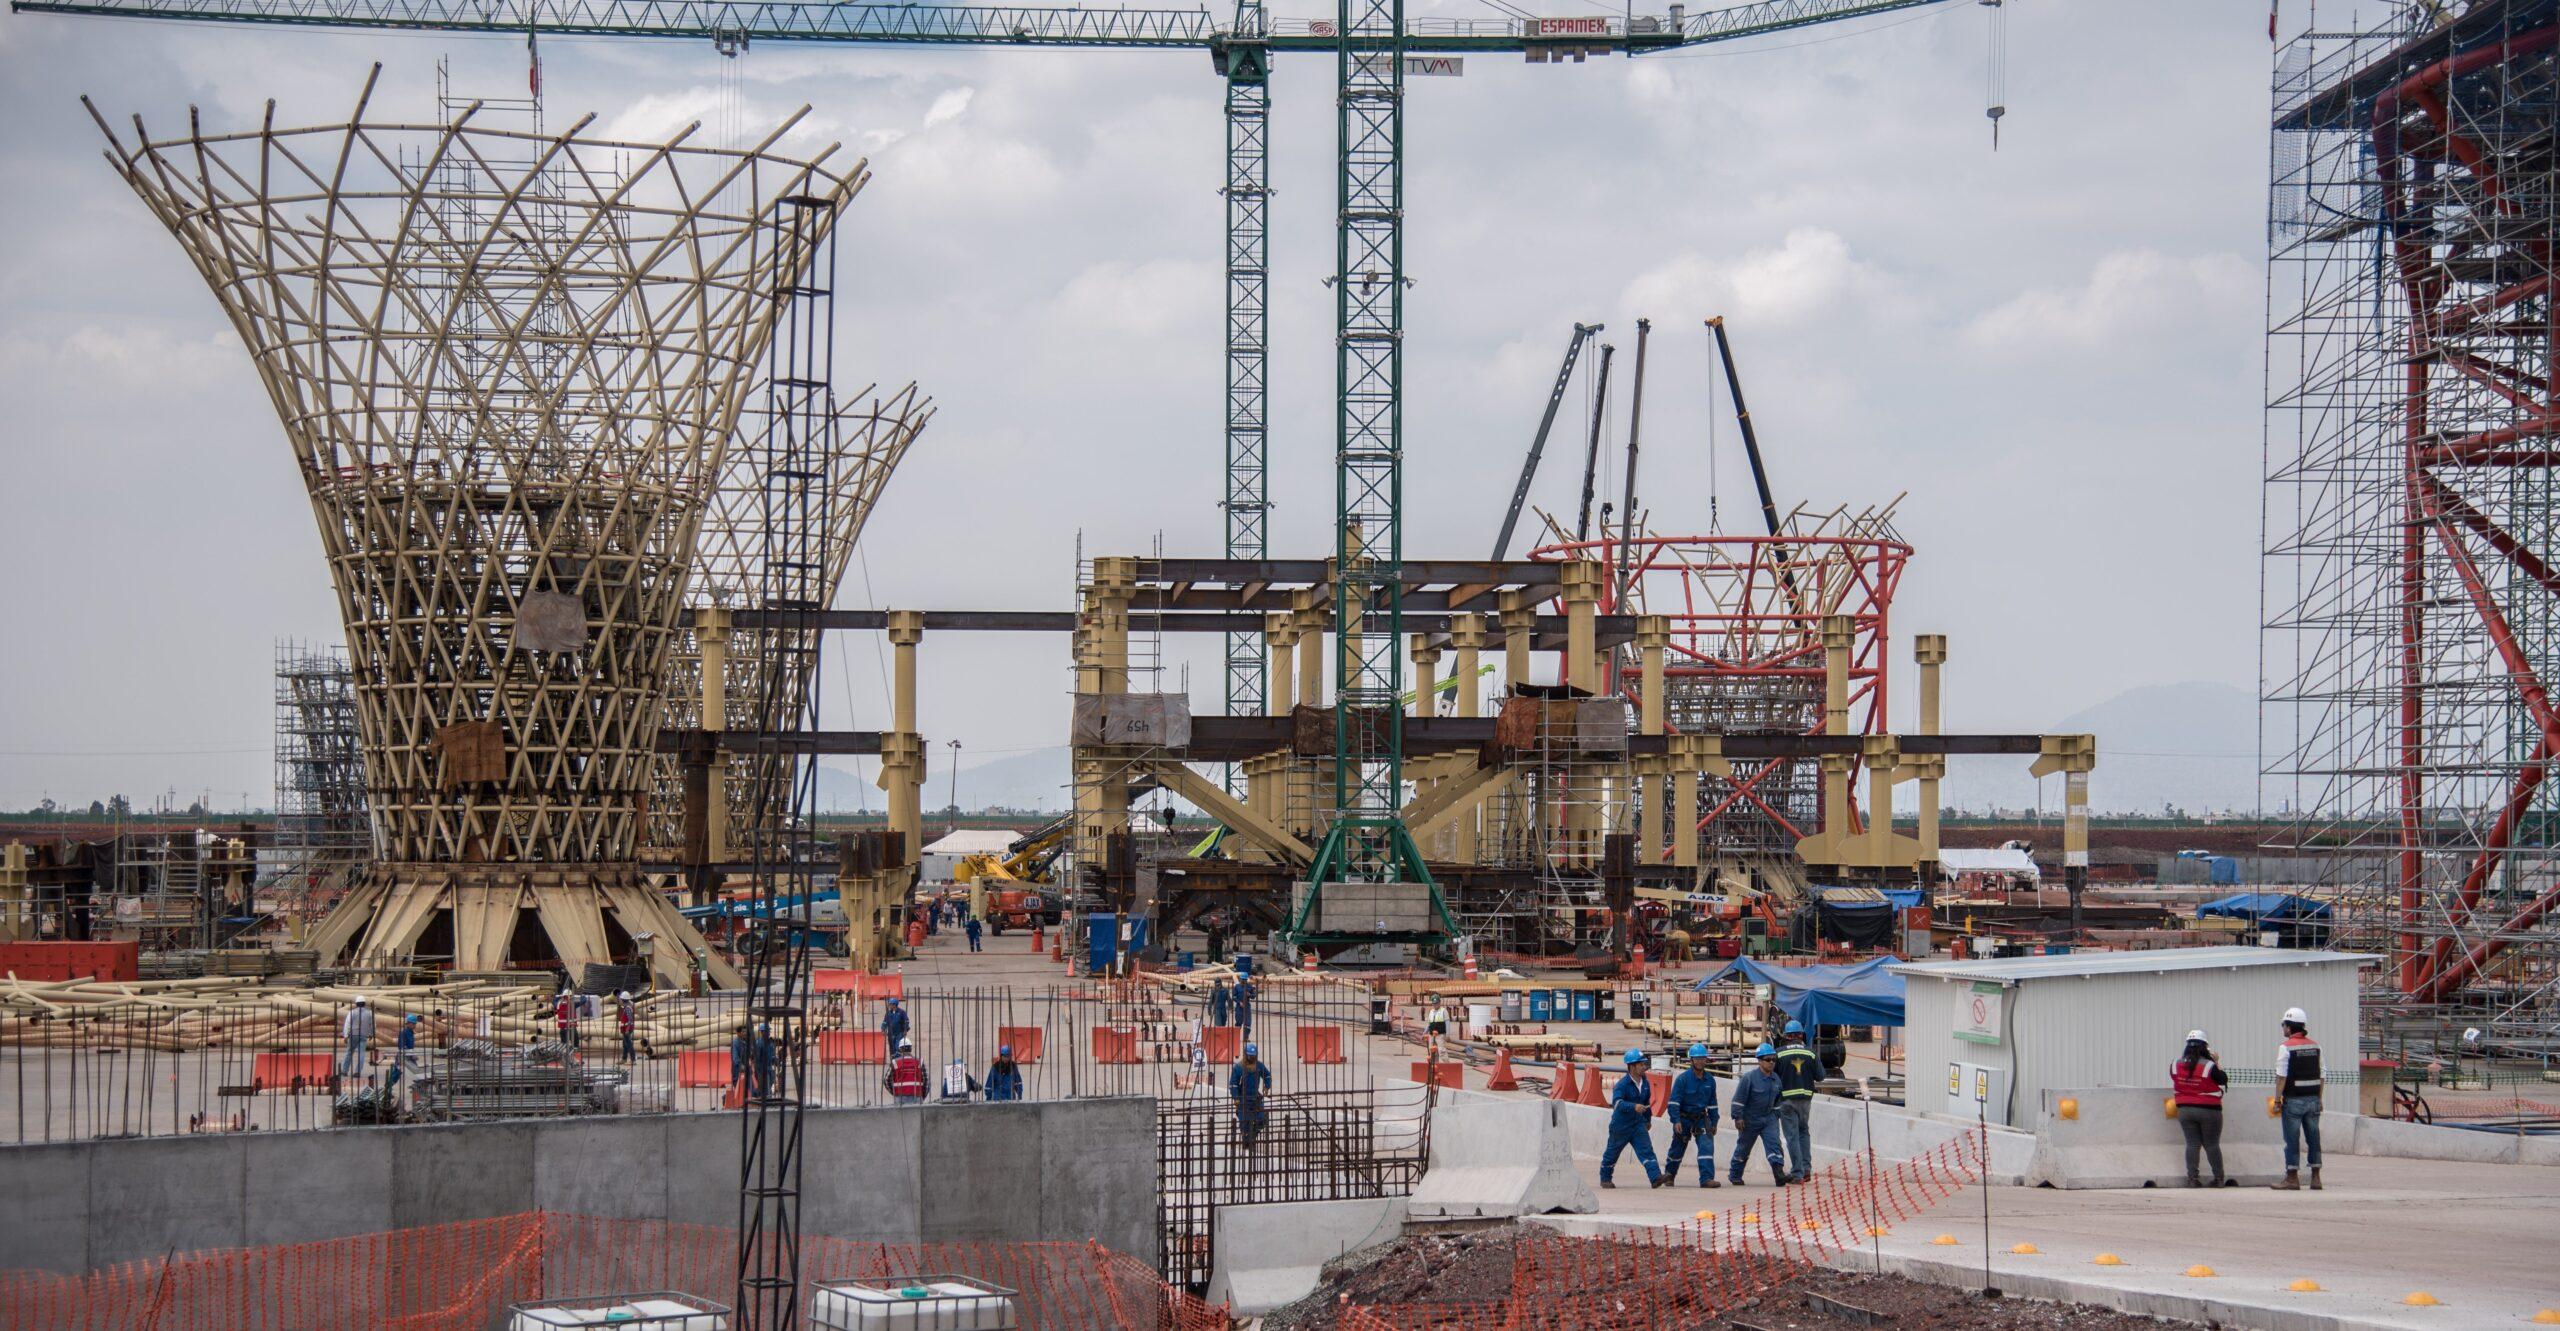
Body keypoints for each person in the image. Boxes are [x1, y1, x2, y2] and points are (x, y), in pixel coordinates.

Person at [2272, 1007, 2324, 1191]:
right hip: (2313, 1099)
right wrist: (2319, 1098)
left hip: (2293, 1100)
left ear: (2289, 1027)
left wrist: (2277, 1101)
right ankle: (2316, 1178)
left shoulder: (2285, 1048)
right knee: (2314, 1138)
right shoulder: (2315, 1046)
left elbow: (2281, 1076)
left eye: (2283, 1025)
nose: (2282, 1029)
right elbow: (2322, 1073)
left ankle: (2292, 1178)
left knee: (2292, 1139)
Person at [2169, 1029, 2229, 1187]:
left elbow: (2177, 1078)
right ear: (2204, 1047)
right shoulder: (2209, 1066)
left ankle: (2192, 1179)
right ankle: (2218, 1178)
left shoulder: (2175, 1064)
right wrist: (2216, 1061)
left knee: (2192, 1144)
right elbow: (2223, 1079)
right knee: (2211, 1144)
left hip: (2184, 1110)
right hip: (2209, 1110)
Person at [1600, 1048, 1666, 1189]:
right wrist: (1633, 1106)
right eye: (1641, 1064)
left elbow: (1647, 1103)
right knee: (1612, 1153)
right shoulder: (1622, 1085)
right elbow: (1617, 1103)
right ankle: (1605, 1178)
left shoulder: (1645, 1083)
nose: (1644, 1067)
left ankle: (1656, 1178)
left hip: (1638, 1125)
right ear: (1631, 1066)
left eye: (1644, 1064)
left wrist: (1648, 1120)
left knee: (1647, 1150)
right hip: (1620, 1126)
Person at [1663, 1043, 1723, 1188]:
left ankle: (1707, 1179)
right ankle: (1669, 1175)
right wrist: (1676, 1120)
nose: (1700, 1061)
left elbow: (1713, 1104)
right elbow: (1674, 1103)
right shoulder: (1683, 1080)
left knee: (1706, 1146)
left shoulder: (1710, 1080)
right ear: (1691, 1060)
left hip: (1701, 1119)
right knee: (1677, 1148)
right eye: (1697, 1059)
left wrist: (1714, 1122)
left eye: (1703, 1058)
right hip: (1683, 1119)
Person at [1727, 1044, 1788, 1186]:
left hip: (1769, 1118)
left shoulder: (1776, 1079)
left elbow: (1779, 1099)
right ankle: (1735, 1175)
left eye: (1774, 1059)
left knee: (1774, 1145)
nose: (1772, 1062)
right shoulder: (1749, 1079)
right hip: (1750, 1119)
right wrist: (1738, 1117)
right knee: (1743, 1148)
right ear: (1759, 1061)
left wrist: (1776, 1115)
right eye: (1768, 1059)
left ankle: (1779, 1175)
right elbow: (1738, 1100)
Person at [1771, 1020, 1821, 1184]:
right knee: (1803, 1132)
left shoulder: (1778, 1054)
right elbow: (1820, 1076)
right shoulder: (1811, 1053)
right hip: (1805, 1099)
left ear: (1786, 1036)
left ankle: (1797, 1173)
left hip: (1786, 1100)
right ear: (1801, 1035)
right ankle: (1806, 1170)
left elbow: (1771, 1077)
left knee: (1792, 1136)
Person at [1230, 1042, 1273, 1148]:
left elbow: (1267, 1075)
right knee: (1244, 1123)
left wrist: (1267, 1086)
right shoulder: (1238, 1067)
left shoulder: (1259, 1066)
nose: (1252, 1058)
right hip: (1243, 1099)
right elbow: (1233, 1084)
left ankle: (1252, 1136)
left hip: (1255, 1098)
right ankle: (1246, 1142)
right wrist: (1235, 1097)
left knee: (1261, 1120)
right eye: (1250, 1056)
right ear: (1245, 1054)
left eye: (1254, 1056)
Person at [337, 996, 371, 1078]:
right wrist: (371, 1033)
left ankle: (344, 1071)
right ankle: (357, 1072)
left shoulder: (352, 1012)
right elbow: (373, 1024)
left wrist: (345, 1035)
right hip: (363, 1035)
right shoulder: (369, 1013)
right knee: (361, 1053)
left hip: (353, 1035)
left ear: (356, 1004)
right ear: (364, 1004)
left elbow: (347, 1024)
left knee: (349, 1052)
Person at [886, 1037, 927, 1103]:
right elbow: (926, 1081)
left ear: (900, 1049)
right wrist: (922, 1095)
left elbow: (886, 1080)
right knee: (917, 1113)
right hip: (917, 1096)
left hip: (900, 1097)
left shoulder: (895, 1063)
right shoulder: (919, 1062)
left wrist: (894, 1092)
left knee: (901, 1113)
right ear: (911, 1048)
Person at [750, 1022, 778, 1099]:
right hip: (761, 1069)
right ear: (762, 1032)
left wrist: (775, 1059)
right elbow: (757, 1058)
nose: (769, 1032)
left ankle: (762, 1095)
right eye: (767, 1031)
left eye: (769, 1031)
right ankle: (763, 1097)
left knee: (770, 1081)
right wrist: (759, 1071)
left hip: (769, 1067)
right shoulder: (759, 1043)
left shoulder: (770, 1043)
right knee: (765, 1087)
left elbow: (771, 1055)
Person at [615, 991, 638, 1064]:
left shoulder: (628, 1008)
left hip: (627, 1028)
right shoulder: (625, 1006)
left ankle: (633, 1059)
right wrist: (618, 995)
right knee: (624, 1044)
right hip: (624, 1028)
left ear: (623, 1000)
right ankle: (624, 1059)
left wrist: (627, 1030)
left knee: (628, 1044)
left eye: (621, 999)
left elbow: (630, 1020)